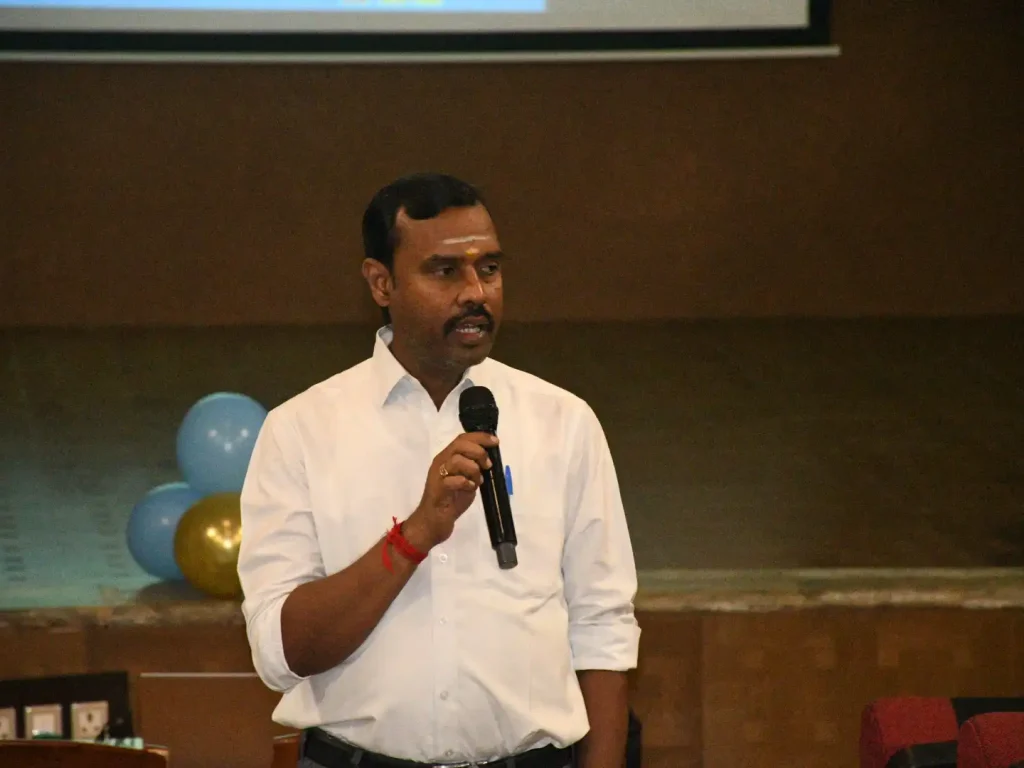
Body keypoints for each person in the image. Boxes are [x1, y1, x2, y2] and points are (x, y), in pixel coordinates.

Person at [237, 172, 641, 768]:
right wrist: (415, 536)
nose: (476, 292)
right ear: (381, 283)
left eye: (490, 269)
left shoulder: (564, 422)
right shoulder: (300, 430)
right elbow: (282, 653)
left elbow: (603, 632)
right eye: (445, 271)